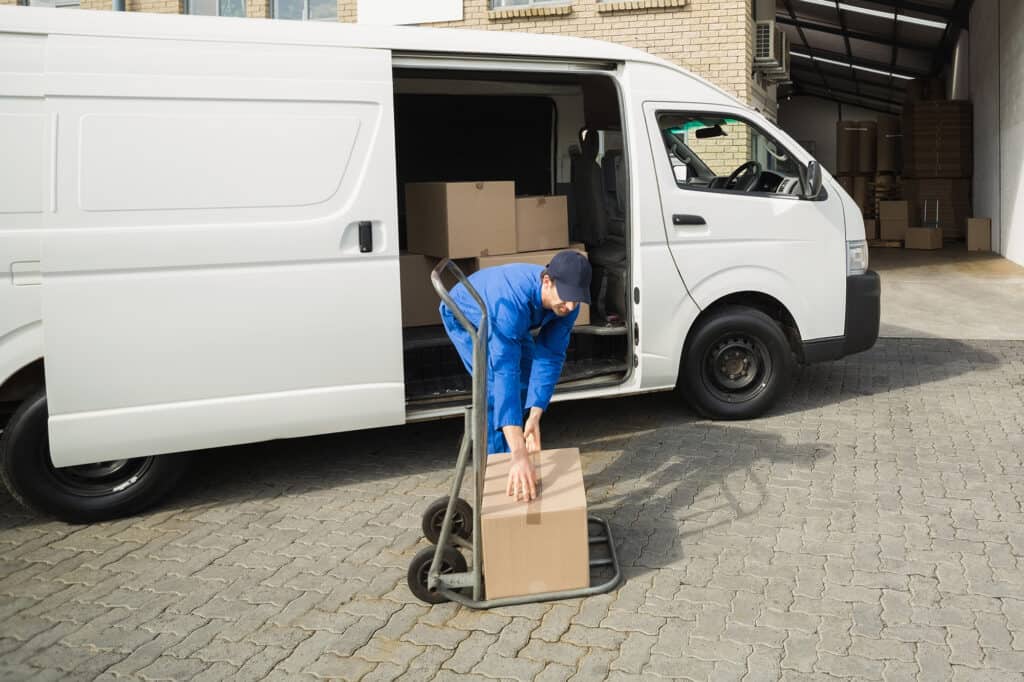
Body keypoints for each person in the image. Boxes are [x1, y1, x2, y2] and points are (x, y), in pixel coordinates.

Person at [440, 250, 592, 502]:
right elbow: (504, 373)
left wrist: (535, 414)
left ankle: (513, 448)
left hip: (509, 321)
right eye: (566, 299)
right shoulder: (511, 300)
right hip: (466, 315)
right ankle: (499, 476)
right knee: (491, 389)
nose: (571, 307)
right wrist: (520, 453)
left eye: (577, 300)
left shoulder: (568, 302)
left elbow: (551, 356)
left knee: (528, 376)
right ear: (547, 282)